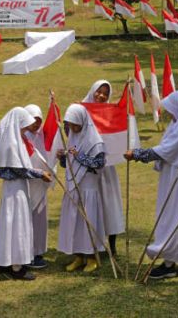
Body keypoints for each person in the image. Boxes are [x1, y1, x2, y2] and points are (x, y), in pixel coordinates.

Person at [124, 91, 178, 280]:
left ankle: (169, 263)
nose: (169, 114)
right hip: (177, 174)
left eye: (170, 109)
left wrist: (137, 155)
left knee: (173, 214)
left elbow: (165, 150)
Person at [0, 107, 52, 281]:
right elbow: (18, 170)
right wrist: (40, 174)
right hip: (15, 191)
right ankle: (16, 267)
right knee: (16, 227)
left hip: (15, 189)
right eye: (24, 127)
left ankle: (5, 263)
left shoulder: (15, 140)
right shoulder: (11, 143)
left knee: (10, 227)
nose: (26, 130)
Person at [57, 104, 107, 273]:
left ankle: (92, 258)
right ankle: (78, 256)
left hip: (88, 189)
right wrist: (62, 157)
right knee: (74, 223)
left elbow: (99, 165)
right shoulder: (72, 136)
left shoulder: (95, 142)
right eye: (70, 124)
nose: (72, 128)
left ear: (82, 121)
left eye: (75, 124)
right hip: (73, 187)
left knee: (88, 222)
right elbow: (68, 165)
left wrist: (80, 156)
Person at [83, 80, 124, 256]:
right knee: (89, 206)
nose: (101, 96)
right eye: (99, 92)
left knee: (110, 204)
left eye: (105, 94)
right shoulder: (82, 112)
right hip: (86, 169)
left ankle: (112, 245)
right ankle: (88, 245)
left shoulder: (110, 114)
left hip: (106, 168)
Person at [23, 104, 57, 270]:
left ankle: (37, 252)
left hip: (41, 184)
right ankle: (24, 252)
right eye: (32, 120)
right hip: (26, 184)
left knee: (39, 221)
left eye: (39, 120)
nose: (36, 124)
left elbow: (49, 153)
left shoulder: (43, 135)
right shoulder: (22, 137)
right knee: (25, 219)